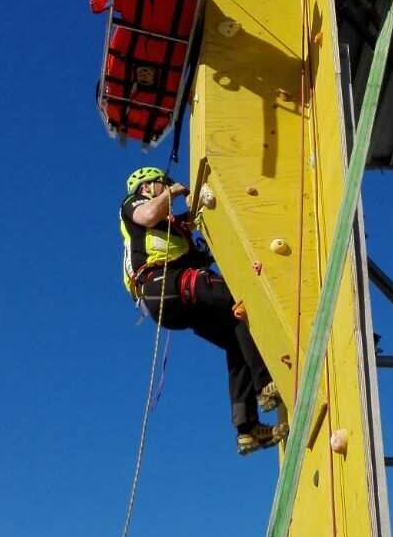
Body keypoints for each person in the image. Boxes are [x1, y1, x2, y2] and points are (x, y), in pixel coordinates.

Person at [120, 166, 285, 454]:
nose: (168, 186)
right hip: (162, 284)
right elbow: (147, 215)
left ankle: (247, 428)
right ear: (147, 188)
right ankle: (265, 385)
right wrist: (172, 192)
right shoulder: (134, 204)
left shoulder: (175, 228)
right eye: (163, 183)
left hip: (172, 300)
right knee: (242, 295)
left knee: (236, 330)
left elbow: (197, 228)